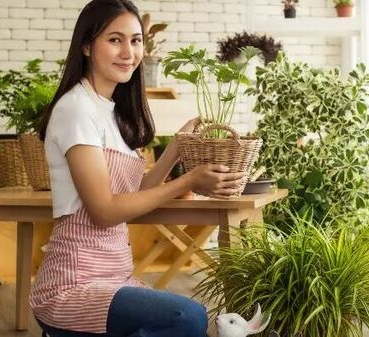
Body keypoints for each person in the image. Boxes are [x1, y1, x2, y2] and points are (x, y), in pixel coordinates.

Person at [29, 1, 245, 336]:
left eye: (136, 40)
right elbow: (104, 211)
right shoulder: (76, 109)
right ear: (86, 46)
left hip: (116, 277)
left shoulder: (112, 113)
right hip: (72, 285)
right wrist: (186, 181)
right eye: (115, 40)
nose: (128, 52)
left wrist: (175, 148)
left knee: (191, 319)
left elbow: (133, 197)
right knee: (186, 318)